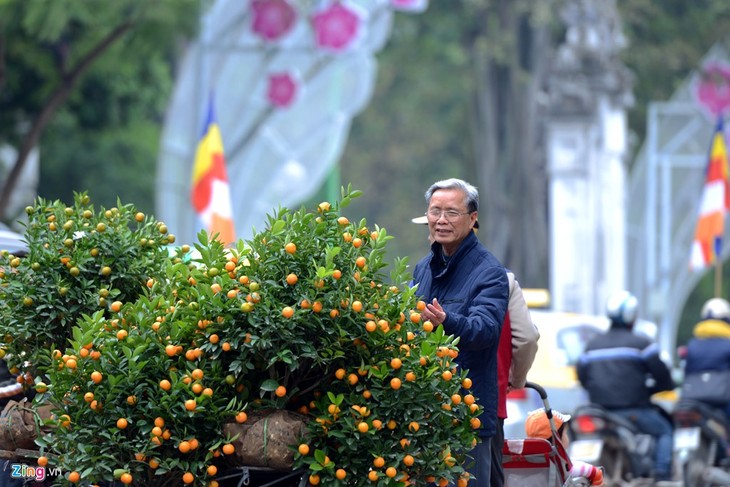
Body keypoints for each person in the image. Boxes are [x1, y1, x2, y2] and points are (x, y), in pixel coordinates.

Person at [411, 215, 540, 487]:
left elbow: (520, 336)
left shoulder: (494, 277)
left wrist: (513, 381)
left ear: (470, 225)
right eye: (432, 224)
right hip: (460, 401)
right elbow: (526, 338)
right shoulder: (423, 272)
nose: (435, 231)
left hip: (475, 398)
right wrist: (516, 380)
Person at [412, 178, 509, 486]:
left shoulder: (489, 272)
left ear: (472, 218)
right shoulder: (422, 268)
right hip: (424, 413)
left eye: (452, 212)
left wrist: (447, 320)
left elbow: (486, 330)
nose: (441, 220)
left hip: (467, 413)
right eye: (435, 211)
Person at [576, 290, 676, 483]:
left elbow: (582, 377)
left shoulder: (592, 346)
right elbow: (664, 378)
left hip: (598, 411)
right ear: (632, 315)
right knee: (664, 430)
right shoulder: (642, 344)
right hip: (632, 411)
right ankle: (662, 475)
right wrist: (649, 391)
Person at [524, 408, 604, 486]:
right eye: (565, 432)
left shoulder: (521, 464)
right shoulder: (563, 466)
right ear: (558, 439)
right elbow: (596, 473)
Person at [682, 297, 730, 421]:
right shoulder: (728, 344)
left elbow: (686, 372)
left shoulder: (692, 344)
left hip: (693, 399)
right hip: (723, 400)